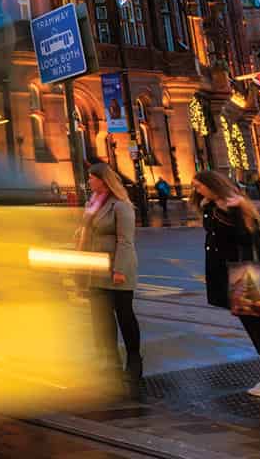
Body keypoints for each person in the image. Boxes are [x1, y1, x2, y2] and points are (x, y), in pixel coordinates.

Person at [192, 169, 260, 398]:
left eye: (199, 186)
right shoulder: (219, 206)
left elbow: (245, 238)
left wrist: (228, 211)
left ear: (212, 185)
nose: (196, 191)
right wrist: (207, 205)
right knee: (258, 324)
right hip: (239, 274)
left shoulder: (232, 207)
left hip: (243, 276)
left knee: (256, 325)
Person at [77, 163, 142, 398]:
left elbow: (126, 241)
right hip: (95, 269)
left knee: (124, 316)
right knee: (100, 318)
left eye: (92, 179)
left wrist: (120, 269)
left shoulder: (121, 206)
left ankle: (134, 361)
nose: (89, 182)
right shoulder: (92, 203)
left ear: (104, 180)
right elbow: (86, 233)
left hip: (117, 268)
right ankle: (108, 360)